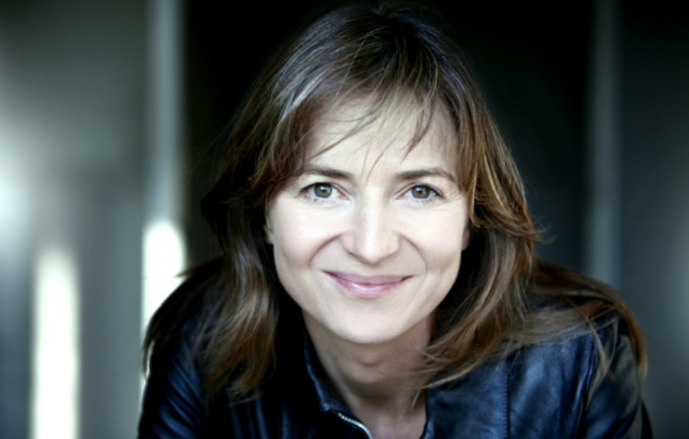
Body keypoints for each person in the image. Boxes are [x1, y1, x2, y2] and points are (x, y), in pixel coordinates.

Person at [138, 3, 650, 438]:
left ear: (470, 220)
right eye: (323, 189)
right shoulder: (201, 347)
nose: (371, 246)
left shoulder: (580, 364)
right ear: (264, 215)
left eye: (420, 191)